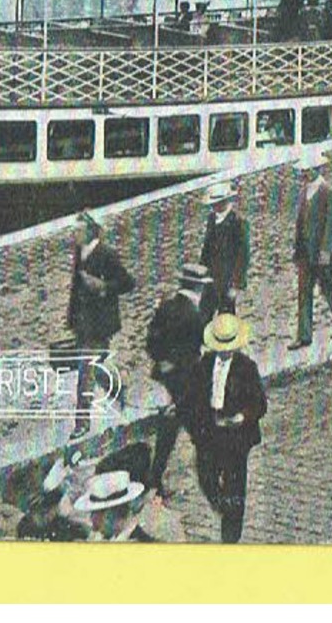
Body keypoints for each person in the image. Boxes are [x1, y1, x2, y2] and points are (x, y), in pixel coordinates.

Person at [188, 314, 267, 544]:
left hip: (236, 436)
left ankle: (230, 537)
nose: (223, 352)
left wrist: (241, 417)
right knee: (206, 476)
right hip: (211, 430)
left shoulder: (246, 368)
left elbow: (260, 404)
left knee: (235, 489)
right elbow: (195, 393)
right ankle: (223, 506)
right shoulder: (205, 364)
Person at [145, 263, 217, 496]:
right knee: (201, 432)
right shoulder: (194, 316)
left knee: (168, 432)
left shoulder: (165, 307)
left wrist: (164, 361)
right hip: (185, 383)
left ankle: (154, 479)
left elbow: (151, 341)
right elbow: (194, 351)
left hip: (166, 379)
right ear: (198, 288)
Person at [66, 211, 137, 438]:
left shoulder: (107, 254)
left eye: (78, 230)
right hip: (83, 324)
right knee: (94, 371)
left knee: (84, 373)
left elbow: (127, 283)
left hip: (100, 325)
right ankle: (118, 393)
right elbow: (76, 289)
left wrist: (103, 286)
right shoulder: (79, 252)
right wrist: (72, 319)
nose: (73, 234)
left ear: (90, 230)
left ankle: (82, 425)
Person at [290, 151, 332, 349]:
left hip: (322, 254)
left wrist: (325, 251)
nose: (304, 175)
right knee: (304, 292)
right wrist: (297, 249)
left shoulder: (329, 192)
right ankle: (304, 336)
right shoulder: (303, 192)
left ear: (317, 170)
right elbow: (300, 223)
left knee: (328, 289)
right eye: (303, 172)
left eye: (307, 171)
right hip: (305, 253)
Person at [199, 182, 250, 313]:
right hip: (210, 280)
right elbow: (206, 249)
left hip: (227, 282)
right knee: (203, 316)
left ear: (225, 201)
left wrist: (236, 285)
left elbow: (243, 256)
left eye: (216, 203)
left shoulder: (238, 222)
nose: (213, 207)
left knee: (226, 321)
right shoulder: (212, 219)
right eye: (212, 204)